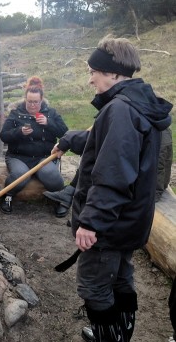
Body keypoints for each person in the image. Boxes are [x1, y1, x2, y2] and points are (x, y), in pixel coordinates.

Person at [55, 35, 172, 342]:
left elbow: (114, 173)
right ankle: (120, 335)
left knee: (95, 286)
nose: (90, 77)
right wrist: (70, 139)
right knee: (120, 278)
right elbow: (105, 143)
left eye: (93, 70)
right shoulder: (135, 103)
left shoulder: (120, 110)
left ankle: (109, 337)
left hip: (109, 224)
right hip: (129, 220)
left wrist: (91, 222)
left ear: (112, 73)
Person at [0, 76, 68, 214]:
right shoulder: (16, 113)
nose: (32, 105)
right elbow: (3, 135)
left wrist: (49, 123)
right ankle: (7, 197)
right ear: (25, 99)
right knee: (20, 175)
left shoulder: (51, 113)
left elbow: (65, 133)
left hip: (44, 157)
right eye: (29, 101)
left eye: (36, 102)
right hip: (18, 156)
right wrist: (19, 132)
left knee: (50, 175)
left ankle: (61, 199)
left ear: (41, 100)